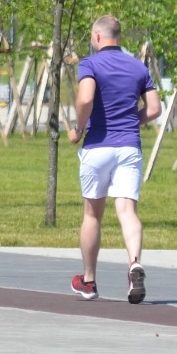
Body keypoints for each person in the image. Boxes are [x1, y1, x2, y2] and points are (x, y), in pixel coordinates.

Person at [66, 15, 161, 304]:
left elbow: (85, 99)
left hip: (97, 146)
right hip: (129, 147)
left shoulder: (90, 64)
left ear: (97, 37)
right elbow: (154, 108)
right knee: (127, 210)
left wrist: (78, 129)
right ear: (118, 37)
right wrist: (132, 121)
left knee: (92, 214)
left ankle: (89, 281)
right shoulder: (138, 66)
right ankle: (134, 263)